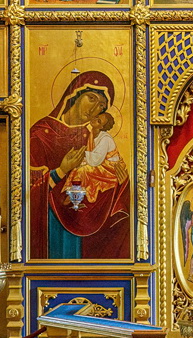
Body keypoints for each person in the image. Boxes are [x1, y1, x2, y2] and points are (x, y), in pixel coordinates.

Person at [29, 72, 130, 259]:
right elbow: (26, 190)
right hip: (50, 221)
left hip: (84, 221)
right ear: (75, 94)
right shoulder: (41, 133)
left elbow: (106, 171)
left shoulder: (93, 136)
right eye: (91, 99)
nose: (94, 110)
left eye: (101, 106)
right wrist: (61, 171)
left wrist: (122, 183)